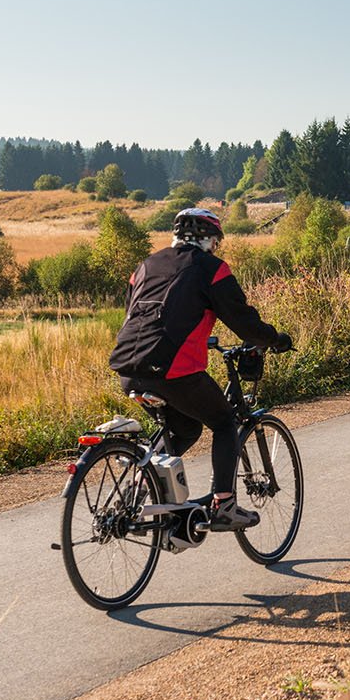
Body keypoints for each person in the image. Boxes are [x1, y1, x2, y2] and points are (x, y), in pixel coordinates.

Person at [109, 207, 292, 531]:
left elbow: (138, 316)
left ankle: (136, 492)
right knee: (223, 422)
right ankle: (224, 505)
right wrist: (274, 339)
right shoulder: (211, 269)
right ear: (210, 240)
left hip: (127, 367)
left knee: (187, 429)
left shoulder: (146, 265)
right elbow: (244, 322)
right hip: (170, 369)